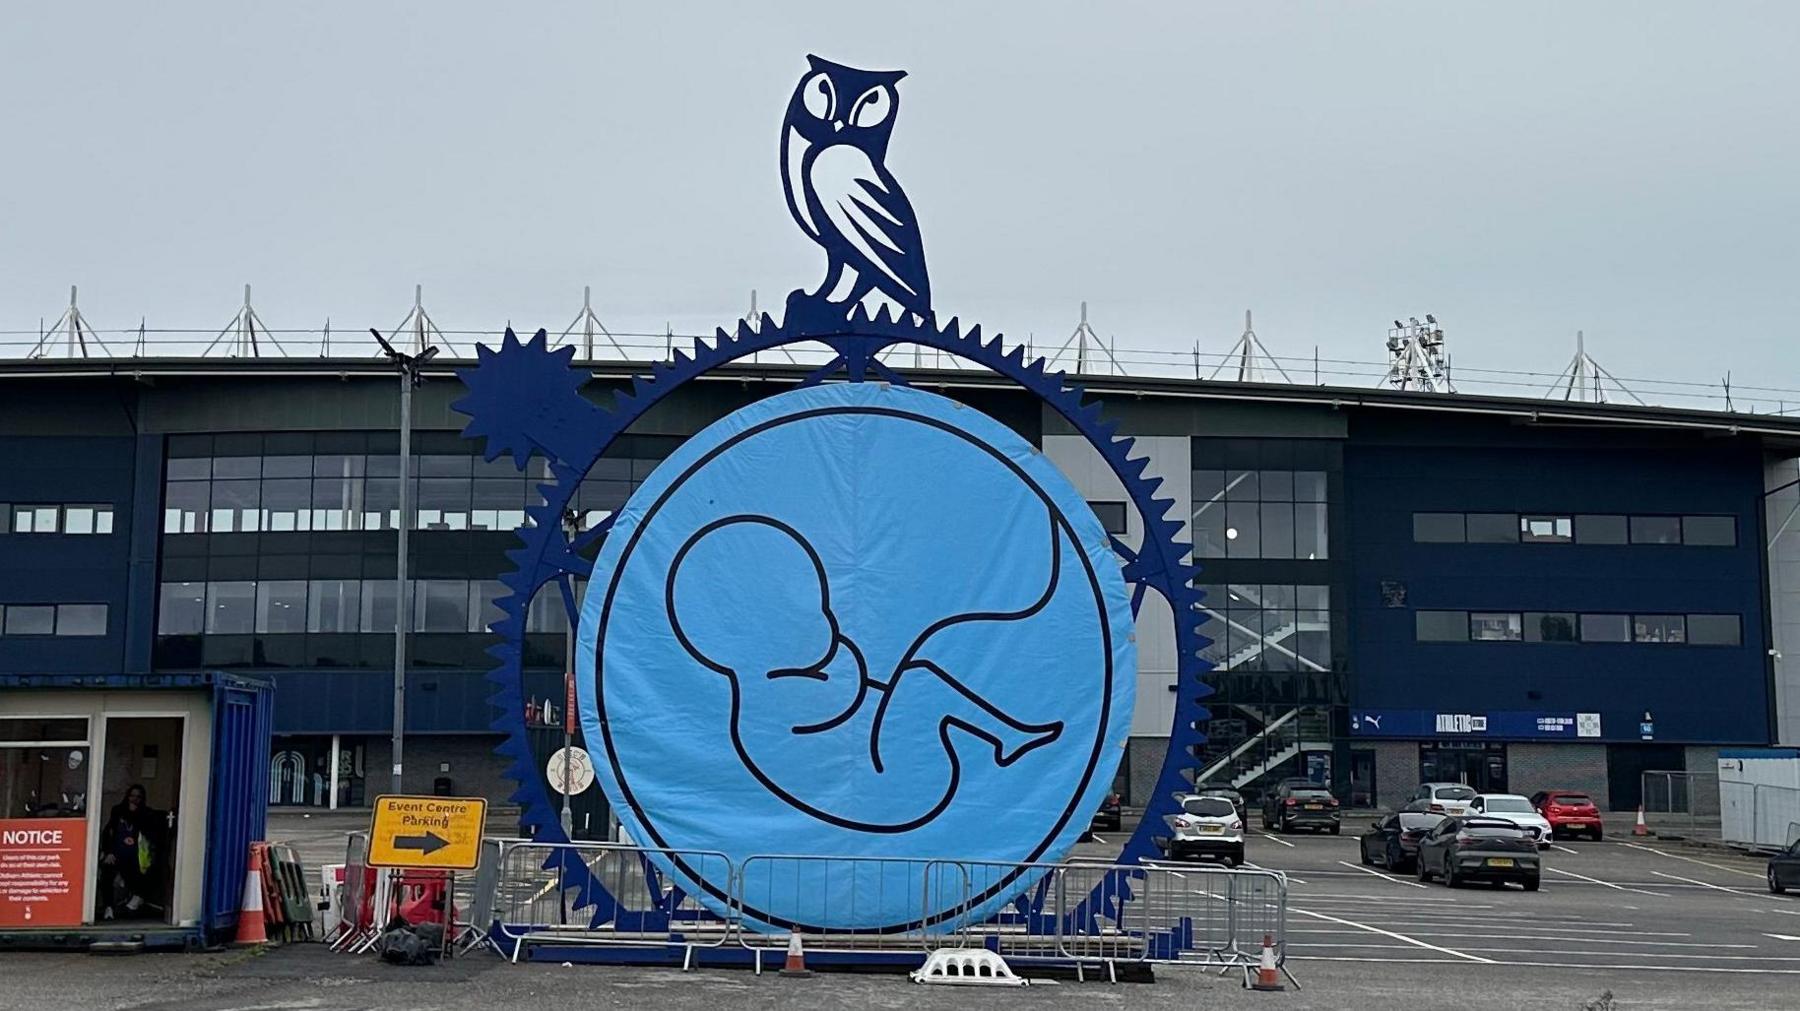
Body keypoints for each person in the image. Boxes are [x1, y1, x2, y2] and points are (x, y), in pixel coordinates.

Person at [99, 784, 165, 920]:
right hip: (116, 854)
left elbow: (152, 836)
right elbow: (108, 833)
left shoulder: (147, 814)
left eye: (138, 797)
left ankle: (137, 899)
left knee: (149, 870)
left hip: (137, 856)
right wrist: (109, 852)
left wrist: (136, 815)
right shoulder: (118, 811)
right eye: (132, 796)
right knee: (106, 870)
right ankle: (108, 907)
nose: (134, 799)